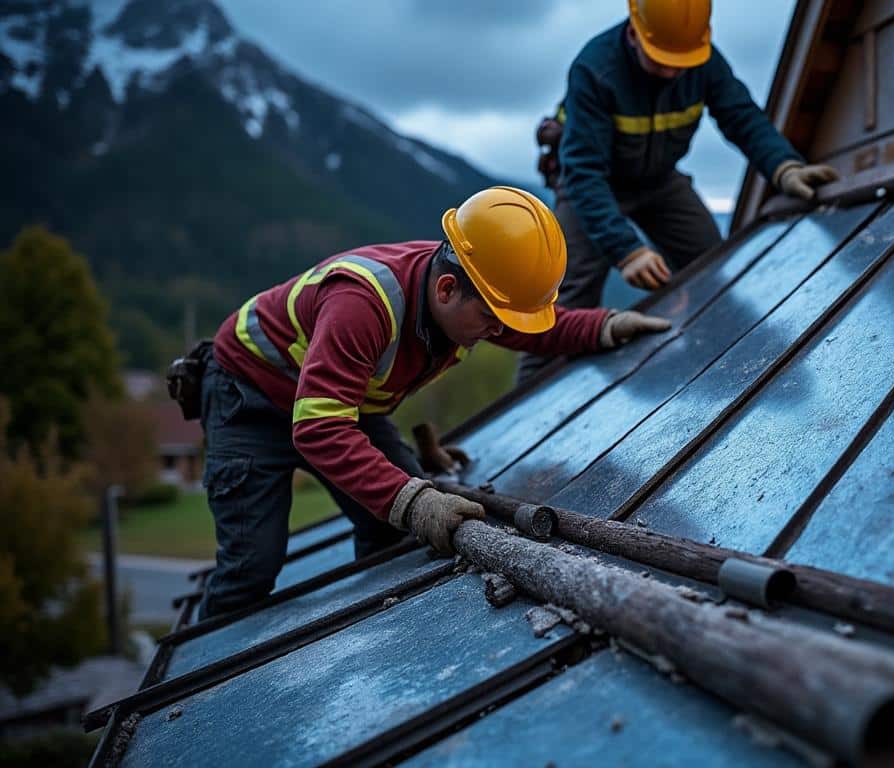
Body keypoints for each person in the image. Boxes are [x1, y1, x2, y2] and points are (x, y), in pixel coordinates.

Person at [191, 187, 670, 618]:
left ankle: (370, 632)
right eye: (493, 320)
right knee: (252, 566)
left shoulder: (466, 289)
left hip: (339, 405)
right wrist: (413, 500)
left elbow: (534, 330)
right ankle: (202, 675)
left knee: (393, 531)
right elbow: (319, 428)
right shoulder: (362, 304)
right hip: (250, 399)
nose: (499, 333)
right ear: (446, 289)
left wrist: (604, 327)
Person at [518, 0, 838, 381]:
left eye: (681, 62)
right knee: (567, 298)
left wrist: (784, 167)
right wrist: (627, 250)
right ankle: (532, 398)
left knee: (713, 266)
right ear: (635, 33)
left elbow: (741, 116)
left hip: (659, 182)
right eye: (661, 60)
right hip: (592, 185)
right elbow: (583, 170)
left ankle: (728, 370)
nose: (671, 71)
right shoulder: (595, 69)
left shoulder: (704, 60)